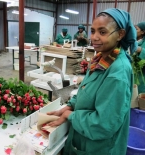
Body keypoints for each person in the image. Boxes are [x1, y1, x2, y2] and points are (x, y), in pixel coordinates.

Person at [47, 8, 137, 155]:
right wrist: (69, 106)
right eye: (93, 31)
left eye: (102, 32)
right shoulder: (101, 59)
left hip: (98, 147)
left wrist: (70, 116)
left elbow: (104, 124)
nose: (94, 37)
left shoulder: (117, 72)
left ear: (120, 34)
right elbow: (86, 90)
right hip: (84, 138)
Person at [134, 22, 145, 93]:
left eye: (136, 29)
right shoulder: (134, 41)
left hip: (142, 77)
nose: (134, 31)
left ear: (143, 32)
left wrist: (141, 50)